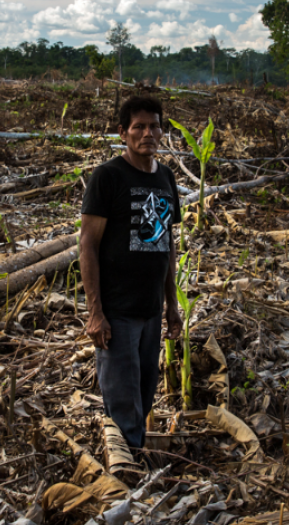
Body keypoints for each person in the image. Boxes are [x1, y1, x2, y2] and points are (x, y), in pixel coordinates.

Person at [79, 95, 183, 449]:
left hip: (151, 310)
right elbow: (88, 245)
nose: (147, 133)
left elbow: (167, 244)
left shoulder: (166, 177)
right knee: (122, 402)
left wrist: (172, 305)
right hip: (117, 312)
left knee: (144, 392)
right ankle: (127, 477)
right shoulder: (108, 177)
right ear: (123, 133)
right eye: (138, 126)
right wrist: (95, 313)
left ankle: (135, 462)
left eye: (154, 126)